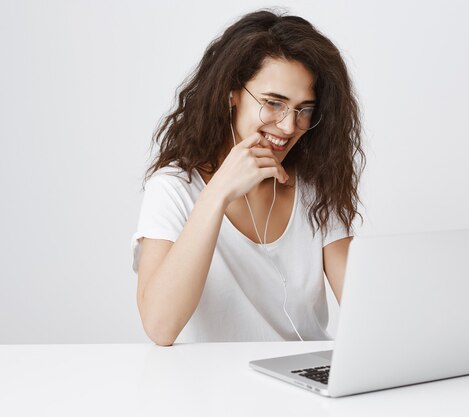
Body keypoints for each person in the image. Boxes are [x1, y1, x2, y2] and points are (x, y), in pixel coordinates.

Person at [131, 9, 365, 346]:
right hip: (214, 390)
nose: (289, 126)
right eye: (274, 103)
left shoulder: (314, 187)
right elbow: (160, 326)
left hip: (304, 383)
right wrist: (217, 194)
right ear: (232, 93)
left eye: (305, 109)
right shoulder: (172, 188)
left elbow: (363, 305)